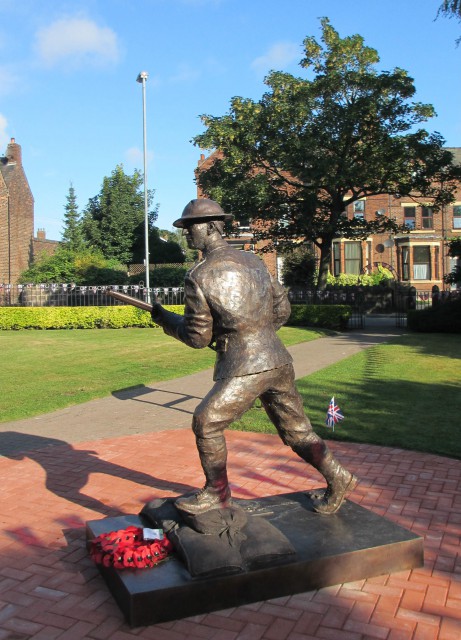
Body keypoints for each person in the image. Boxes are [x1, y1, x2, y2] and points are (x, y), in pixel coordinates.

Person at [151, 198, 357, 516]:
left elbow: (197, 337)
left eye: (189, 228)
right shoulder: (254, 261)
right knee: (297, 431)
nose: (186, 235)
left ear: (208, 227)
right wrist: (259, 336)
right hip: (276, 358)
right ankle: (339, 477)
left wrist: (167, 320)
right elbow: (282, 308)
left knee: (206, 423)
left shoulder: (199, 275)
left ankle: (216, 494)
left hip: (245, 365)